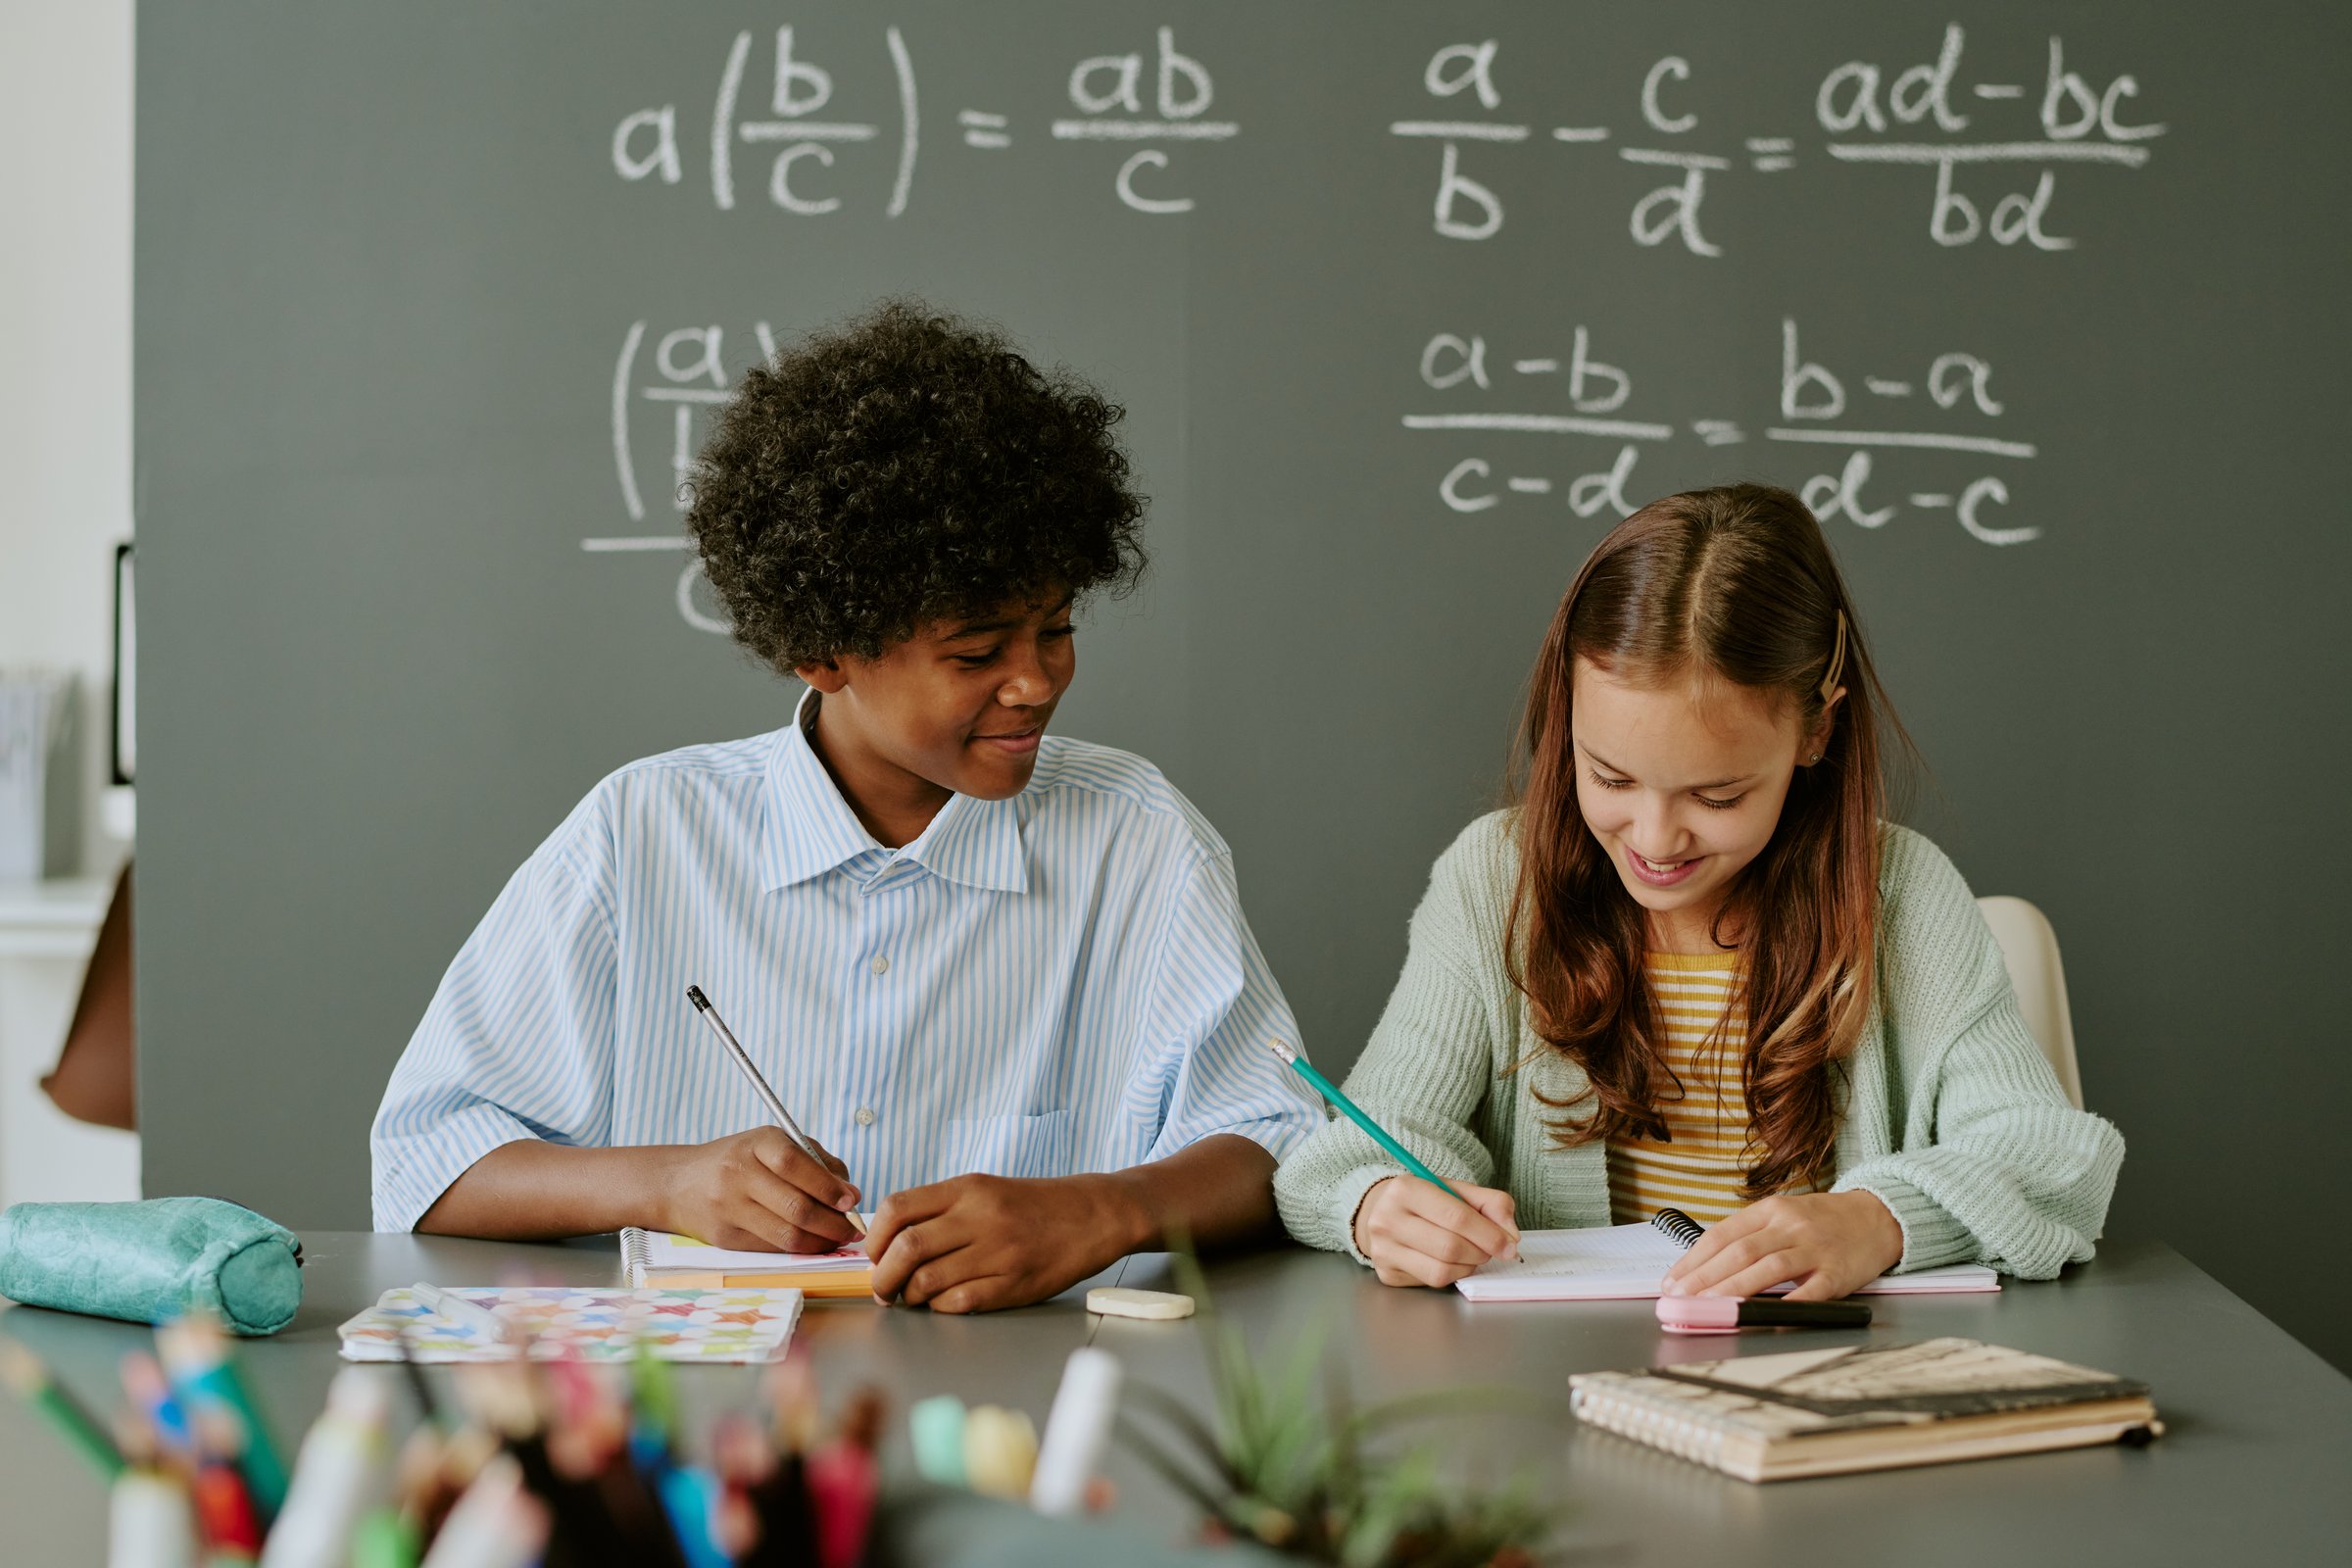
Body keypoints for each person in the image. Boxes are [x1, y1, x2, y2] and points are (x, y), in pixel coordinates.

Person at [372, 301, 1316, 1312]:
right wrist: (670, 1182)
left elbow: (1278, 1140)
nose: (1037, 681)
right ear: (824, 651)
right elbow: (426, 1162)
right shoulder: (639, 835)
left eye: (1057, 628)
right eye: (976, 653)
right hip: (718, 1420)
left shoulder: (1141, 838)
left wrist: (1099, 1209)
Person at [1273, 484, 2123, 1298]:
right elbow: (1345, 1153)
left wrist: (1880, 1220)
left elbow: (2057, 1162)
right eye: (1606, 775)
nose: (1652, 840)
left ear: (1817, 730)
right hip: (1553, 1392)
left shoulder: (1904, 895)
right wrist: (1379, 1203)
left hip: (1824, 1387)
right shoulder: (1495, 882)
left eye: (1716, 798)